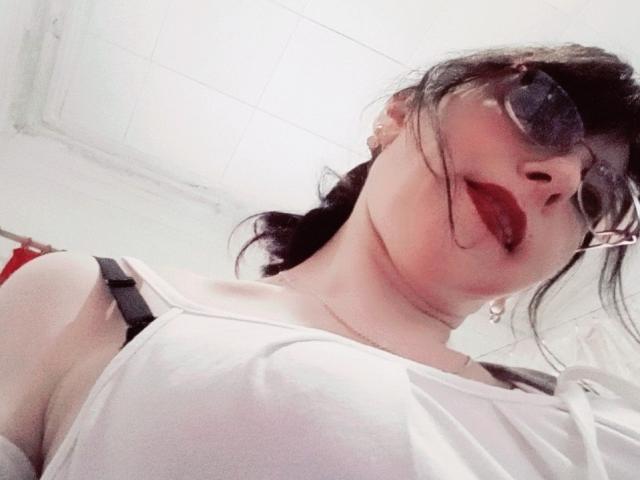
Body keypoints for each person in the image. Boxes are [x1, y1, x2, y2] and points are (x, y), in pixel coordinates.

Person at [1, 44, 640, 479]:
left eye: (592, 198)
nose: (561, 177)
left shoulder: (597, 419)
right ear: (398, 117)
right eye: (539, 111)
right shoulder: (91, 299)